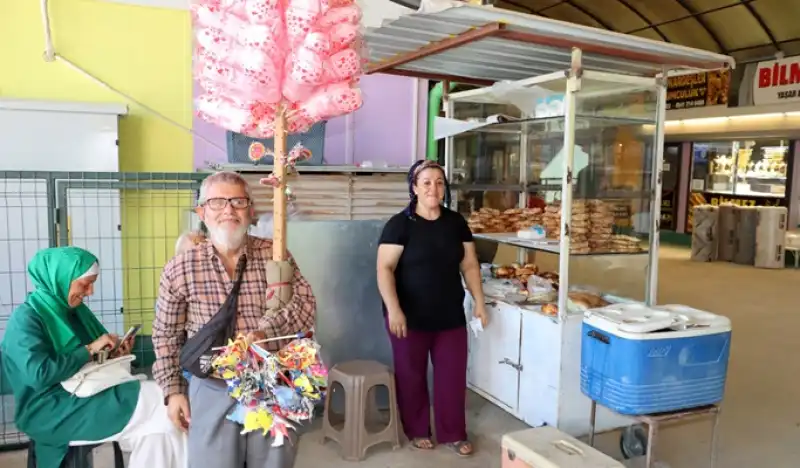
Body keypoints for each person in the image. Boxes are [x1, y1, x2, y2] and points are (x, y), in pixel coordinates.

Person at [152, 171, 317, 468]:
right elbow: (166, 335)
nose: (228, 210)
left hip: (271, 384)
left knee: (273, 463)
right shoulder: (180, 268)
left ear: (250, 211)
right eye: (217, 202)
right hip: (212, 386)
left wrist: (264, 334)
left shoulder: (275, 255)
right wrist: (173, 390)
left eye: (238, 201)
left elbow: (305, 305)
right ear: (202, 212)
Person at [0, 247, 187, 468]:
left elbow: (86, 363)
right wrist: (89, 350)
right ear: (61, 279)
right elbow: (39, 375)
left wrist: (114, 354)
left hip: (81, 393)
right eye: (85, 283)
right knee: (164, 401)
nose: (90, 291)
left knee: (161, 427)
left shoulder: (74, 312)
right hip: (50, 408)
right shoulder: (26, 318)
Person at [376, 160, 488, 457]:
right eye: (426, 182)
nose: (433, 188)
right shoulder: (399, 225)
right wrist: (394, 309)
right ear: (414, 187)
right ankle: (417, 429)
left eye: (439, 182)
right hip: (408, 317)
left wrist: (479, 301)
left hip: (449, 315)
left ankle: (453, 432)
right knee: (411, 375)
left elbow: (469, 264)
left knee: (452, 376)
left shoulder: (455, 223)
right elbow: (384, 269)